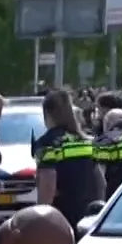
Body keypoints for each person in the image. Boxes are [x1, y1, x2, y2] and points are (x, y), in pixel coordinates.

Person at [34, 90, 103, 234]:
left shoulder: (47, 143)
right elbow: (100, 181)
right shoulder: (86, 140)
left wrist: (40, 220)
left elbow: (48, 185)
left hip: (62, 214)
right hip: (89, 212)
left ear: (47, 114)